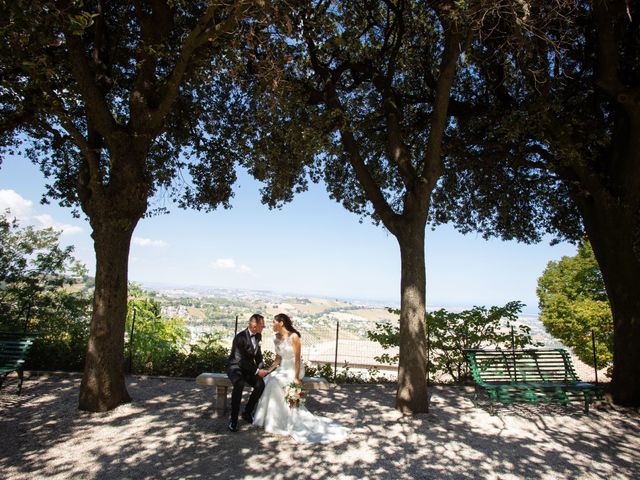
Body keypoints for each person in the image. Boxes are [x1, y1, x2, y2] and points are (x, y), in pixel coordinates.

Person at [253, 313, 349, 443]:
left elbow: (298, 359)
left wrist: (297, 377)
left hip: (294, 368)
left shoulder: (294, 337)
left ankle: (289, 419)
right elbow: (278, 358)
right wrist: (268, 370)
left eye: (273, 322)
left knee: (275, 382)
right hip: (282, 368)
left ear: (281, 323)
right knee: (268, 380)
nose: (271, 325)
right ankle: (274, 419)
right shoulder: (276, 338)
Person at [226, 313, 268, 432]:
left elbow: (258, 355)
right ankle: (233, 419)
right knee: (239, 383)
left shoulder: (258, 336)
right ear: (254, 326)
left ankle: (247, 412)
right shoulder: (240, 337)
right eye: (262, 326)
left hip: (249, 368)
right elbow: (239, 360)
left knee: (260, 384)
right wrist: (256, 371)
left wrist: (261, 367)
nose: (263, 328)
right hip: (235, 367)